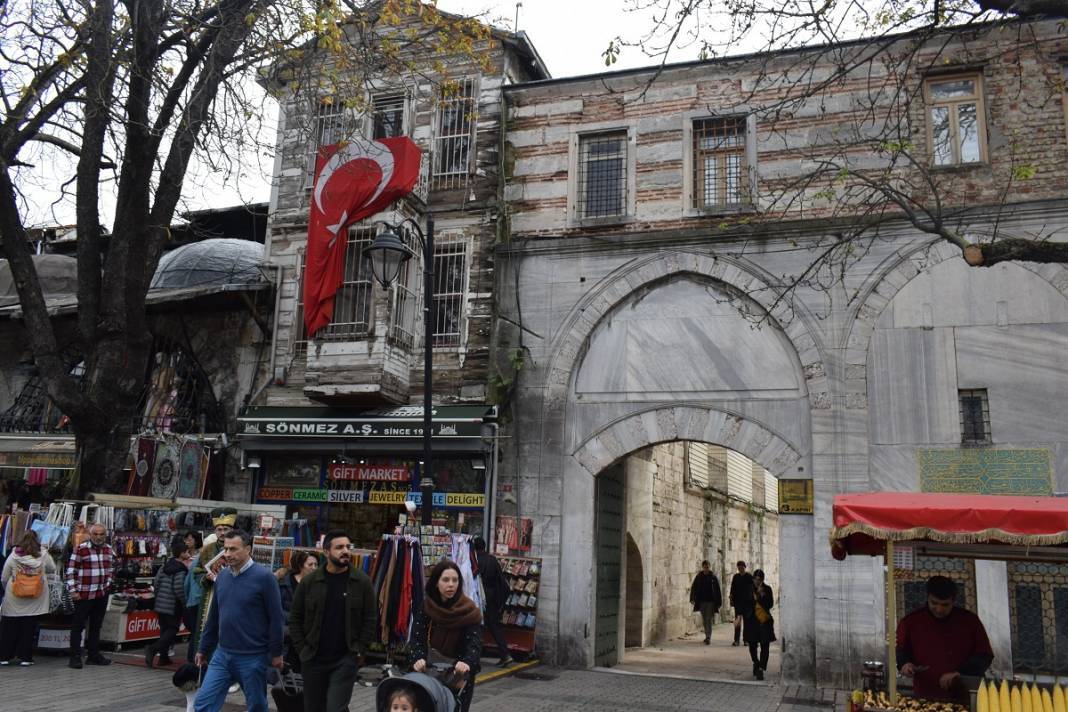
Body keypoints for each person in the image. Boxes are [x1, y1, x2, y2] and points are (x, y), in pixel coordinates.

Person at [194, 529, 284, 712]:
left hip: (253, 657)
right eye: (226, 549)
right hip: (222, 655)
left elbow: (276, 618)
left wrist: (277, 653)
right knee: (203, 703)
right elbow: (214, 617)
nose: (227, 554)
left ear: (248, 549)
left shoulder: (265, 578)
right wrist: (203, 648)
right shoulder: (223, 577)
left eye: (233, 549)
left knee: (257, 706)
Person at [289, 530, 377, 712]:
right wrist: (302, 649)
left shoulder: (362, 582)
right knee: (314, 708)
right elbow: (295, 618)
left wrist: (359, 650)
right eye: (339, 547)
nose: (345, 551)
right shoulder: (310, 582)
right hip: (313, 659)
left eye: (347, 546)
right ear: (326, 552)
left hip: (345, 660)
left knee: (335, 707)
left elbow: (370, 619)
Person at [897, 575, 993, 703]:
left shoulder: (970, 621)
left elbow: (984, 655)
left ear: (953, 601)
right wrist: (905, 664)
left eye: (945, 605)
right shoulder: (910, 622)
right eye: (934, 603)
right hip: (926, 695)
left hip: (965, 695)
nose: (939, 609)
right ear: (927, 598)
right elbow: (901, 650)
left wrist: (959, 673)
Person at [409, 560, 483, 712]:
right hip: (429, 671)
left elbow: (474, 644)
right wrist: (418, 658)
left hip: (458, 674)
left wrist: (467, 663)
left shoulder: (468, 611)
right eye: (446, 580)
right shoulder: (427, 607)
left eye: (455, 580)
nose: (451, 584)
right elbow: (417, 637)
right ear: (436, 582)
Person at [0, 530, 56, 666]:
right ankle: (25, 657)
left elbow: (4, 577)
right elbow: (52, 568)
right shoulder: (43, 554)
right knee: (28, 626)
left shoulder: (14, 555)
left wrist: (7, 589)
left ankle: (4, 657)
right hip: (35, 596)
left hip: (15, 596)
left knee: (9, 627)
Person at [66, 522, 115, 669]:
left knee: (96, 625)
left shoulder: (109, 549)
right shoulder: (81, 549)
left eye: (102, 534)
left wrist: (108, 584)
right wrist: (73, 591)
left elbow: (111, 568)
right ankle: (75, 656)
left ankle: (93, 655)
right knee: (78, 625)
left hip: (101, 593)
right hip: (84, 594)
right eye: (95, 534)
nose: (99, 537)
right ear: (90, 534)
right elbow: (71, 571)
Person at [145, 537, 190, 668]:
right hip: (172, 605)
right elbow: (178, 588)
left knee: (164, 630)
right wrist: (184, 602)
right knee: (172, 629)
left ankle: (163, 658)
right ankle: (153, 649)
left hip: (160, 604)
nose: (189, 555)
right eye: (187, 552)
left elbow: (156, 583)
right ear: (182, 554)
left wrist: (158, 598)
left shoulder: (165, 566)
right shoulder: (180, 569)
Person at [472, 536, 513, 666]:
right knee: (495, 627)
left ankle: (474, 656)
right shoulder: (492, 560)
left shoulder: (473, 560)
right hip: (492, 598)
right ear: (484, 546)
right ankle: (505, 655)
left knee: (475, 626)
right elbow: (501, 581)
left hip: (477, 597)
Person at [743, 568, 775, 680]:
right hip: (751, 622)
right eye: (755, 579)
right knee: (752, 646)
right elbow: (744, 604)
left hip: (764, 622)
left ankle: (761, 668)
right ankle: (756, 662)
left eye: (759, 579)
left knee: (765, 646)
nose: (757, 581)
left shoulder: (767, 589)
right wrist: (739, 616)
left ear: (762, 579)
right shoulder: (748, 589)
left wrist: (762, 596)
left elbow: (770, 604)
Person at [181, 529, 204, 663]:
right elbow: (187, 583)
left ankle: (192, 660)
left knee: (195, 632)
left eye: (190, 539)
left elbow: (186, 584)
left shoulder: (196, 560)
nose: (187, 542)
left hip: (192, 600)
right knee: (197, 633)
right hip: (197, 600)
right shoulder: (198, 560)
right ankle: (192, 660)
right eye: (186, 539)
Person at [689, 559, 722, 645]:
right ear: (703, 567)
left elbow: (718, 590)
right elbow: (694, 587)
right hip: (702, 601)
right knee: (704, 619)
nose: (706, 569)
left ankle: (708, 637)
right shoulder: (699, 577)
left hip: (711, 601)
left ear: (709, 567)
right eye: (705, 567)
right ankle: (707, 635)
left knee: (709, 618)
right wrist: (692, 598)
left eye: (707, 567)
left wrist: (719, 602)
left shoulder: (713, 577)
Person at [277, 550, 317, 618]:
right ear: (300, 566)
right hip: (289, 625)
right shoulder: (284, 584)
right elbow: (277, 608)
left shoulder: (318, 584)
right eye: (310, 565)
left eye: (316, 564)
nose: (314, 568)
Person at [729, 560, 753, 646]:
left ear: (745, 567)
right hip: (738, 603)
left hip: (747, 603)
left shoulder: (749, 576)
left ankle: (746, 640)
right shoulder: (736, 577)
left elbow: (753, 589)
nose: (740, 569)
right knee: (738, 622)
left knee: (747, 623)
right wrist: (731, 599)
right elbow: (732, 588)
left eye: (742, 567)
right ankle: (736, 640)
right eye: (739, 567)